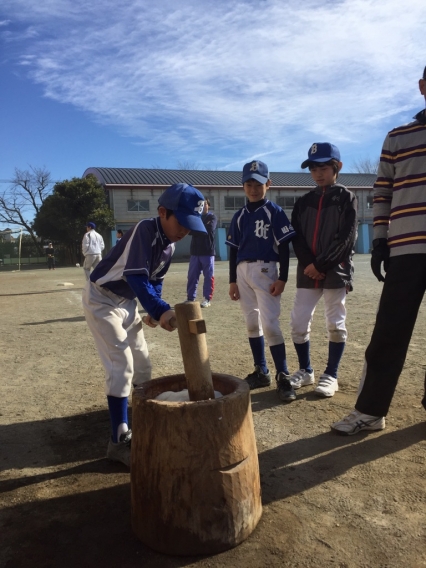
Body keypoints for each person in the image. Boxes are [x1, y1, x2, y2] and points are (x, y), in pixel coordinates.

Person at [82, 183, 206, 466]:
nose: (185, 230)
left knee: (143, 365)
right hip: (101, 300)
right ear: (163, 212)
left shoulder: (170, 245)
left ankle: (142, 421)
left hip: (125, 303)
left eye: (191, 224)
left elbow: (155, 280)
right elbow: (137, 278)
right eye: (182, 222)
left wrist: (153, 310)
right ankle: (118, 440)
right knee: (121, 365)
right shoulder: (145, 229)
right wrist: (161, 310)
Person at [332, 66, 426, 435]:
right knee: (388, 331)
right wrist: (382, 240)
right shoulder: (399, 137)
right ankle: (370, 411)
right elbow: (383, 191)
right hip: (406, 248)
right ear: (422, 86)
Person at [289, 143, 357, 398]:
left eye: (324, 167)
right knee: (297, 322)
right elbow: (297, 237)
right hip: (308, 271)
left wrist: (320, 265)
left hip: (335, 269)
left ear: (337, 167)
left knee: (335, 323)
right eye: (314, 168)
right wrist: (310, 264)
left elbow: (346, 239)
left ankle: (332, 374)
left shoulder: (346, 197)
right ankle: (306, 370)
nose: (318, 173)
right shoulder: (304, 201)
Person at [226, 160, 297, 402]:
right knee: (251, 323)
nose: (253, 189)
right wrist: (232, 280)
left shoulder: (274, 211)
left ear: (268, 184)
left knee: (271, 325)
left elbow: (285, 247)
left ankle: (283, 375)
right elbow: (233, 250)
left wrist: (284, 278)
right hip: (243, 271)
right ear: (243, 186)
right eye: (248, 184)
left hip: (266, 269)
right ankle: (261, 370)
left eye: (258, 183)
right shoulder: (239, 216)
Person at [187, 198, 217, 307]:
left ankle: (207, 299)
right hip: (195, 252)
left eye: (205, 204)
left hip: (208, 251)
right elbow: (189, 230)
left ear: (208, 205)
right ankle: (190, 298)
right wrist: (197, 228)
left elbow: (209, 229)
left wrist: (196, 228)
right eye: (201, 205)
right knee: (192, 276)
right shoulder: (195, 217)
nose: (203, 206)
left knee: (208, 276)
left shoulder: (212, 217)